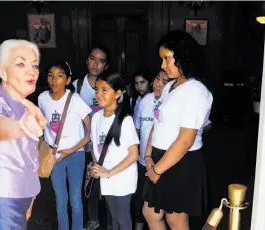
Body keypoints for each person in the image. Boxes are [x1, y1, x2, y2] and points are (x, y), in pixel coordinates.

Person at [0, 39, 47, 230]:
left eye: (35, 65)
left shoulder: (23, 102)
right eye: (21, 64)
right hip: (0, 197)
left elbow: (27, 156)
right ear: (2, 71)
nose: (31, 71)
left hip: (17, 195)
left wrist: (30, 197)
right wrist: (22, 126)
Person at [142, 30, 213, 230]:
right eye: (161, 59)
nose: (162, 65)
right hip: (159, 157)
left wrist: (157, 170)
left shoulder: (195, 91)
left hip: (180, 162)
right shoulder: (170, 86)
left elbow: (185, 140)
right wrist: (148, 155)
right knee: (150, 212)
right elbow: (158, 123)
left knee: (176, 220)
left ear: (183, 56)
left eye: (167, 59)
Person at [38, 61, 92, 230]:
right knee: (60, 198)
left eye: (60, 76)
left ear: (68, 80)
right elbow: (42, 125)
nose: (54, 80)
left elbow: (91, 132)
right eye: (51, 75)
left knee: (75, 199)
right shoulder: (42, 98)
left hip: (75, 154)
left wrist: (72, 150)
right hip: (54, 155)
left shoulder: (75, 100)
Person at [90, 72, 139, 230]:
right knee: (113, 215)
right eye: (97, 90)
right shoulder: (96, 117)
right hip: (105, 176)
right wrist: (97, 167)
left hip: (122, 177)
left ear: (118, 93)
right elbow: (94, 145)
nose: (99, 94)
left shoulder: (125, 120)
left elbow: (134, 155)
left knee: (122, 217)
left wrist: (109, 173)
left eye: (105, 90)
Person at [72, 45, 112, 230]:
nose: (95, 64)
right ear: (87, 60)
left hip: (108, 144)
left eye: (101, 61)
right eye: (92, 58)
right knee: (89, 182)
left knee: (110, 181)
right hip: (84, 144)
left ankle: (112, 219)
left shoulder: (112, 85)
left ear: (106, 65)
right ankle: (94, 218)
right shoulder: (77, 86)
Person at [133, 70, 169, 230]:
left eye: (165, 81)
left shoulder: (172, 102)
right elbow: (137, 128)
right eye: (156, 78)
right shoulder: (144, 101)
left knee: (165, 207)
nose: (158, 84)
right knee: (141, 202)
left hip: (164, 163)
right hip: (143, 161)